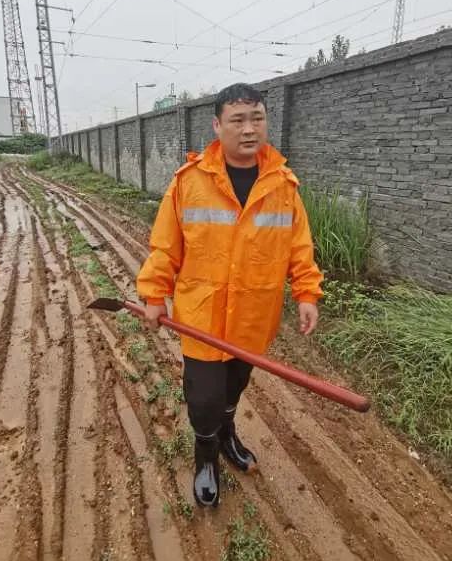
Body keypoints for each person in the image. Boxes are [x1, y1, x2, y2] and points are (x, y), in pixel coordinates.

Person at [137, 83, 323, 507]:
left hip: (254, 315)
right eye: (237, 120)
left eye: (257, 118)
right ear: (217, 125)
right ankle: (206, 456)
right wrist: (154, 293)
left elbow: (299, 247)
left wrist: (307, 294)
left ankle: (227, 436)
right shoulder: (189, 183)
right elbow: (165, 246)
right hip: (201, 318)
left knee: (233, 390)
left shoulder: (283, 185)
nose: (249, 129)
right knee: (203, 398)